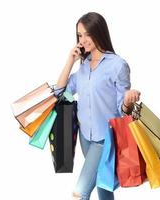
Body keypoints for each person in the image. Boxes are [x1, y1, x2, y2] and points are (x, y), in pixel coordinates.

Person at [56, 12, 141, 200]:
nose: (83, 40)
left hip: (105, 139)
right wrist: (70, 60)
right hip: (85, 137)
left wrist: (128, 100)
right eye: (79, 35)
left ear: (99, 32)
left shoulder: (117, 65)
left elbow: (122, 111)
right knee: (104, 185)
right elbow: (60, 94)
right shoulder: (83, 65)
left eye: (87, 34)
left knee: (80, 193)